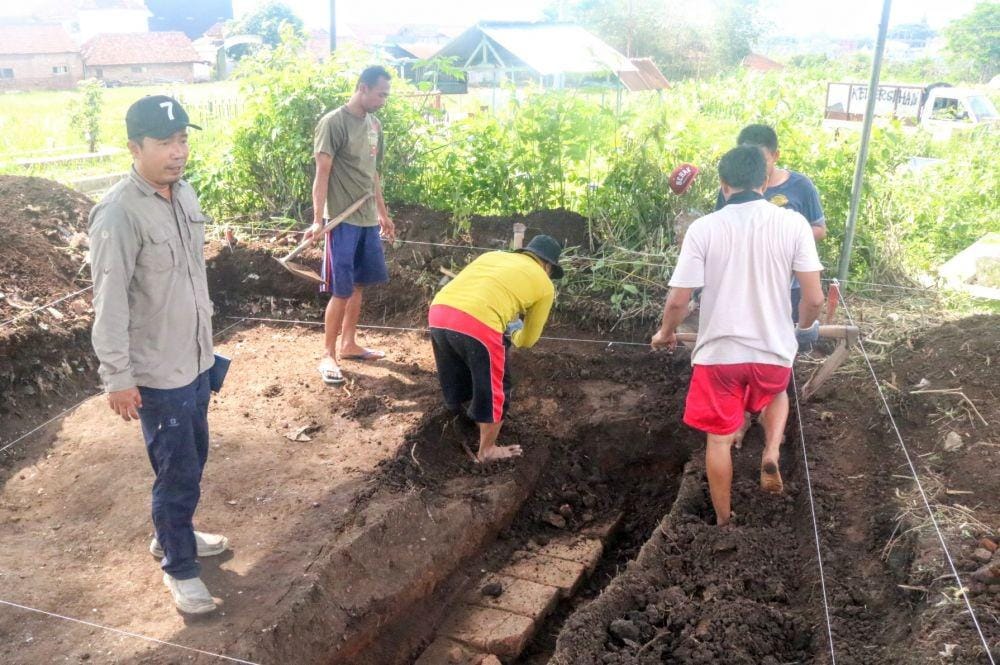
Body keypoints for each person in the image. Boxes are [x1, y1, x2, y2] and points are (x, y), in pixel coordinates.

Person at [89, 95, 225, 614]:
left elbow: (192, 277)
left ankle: (175, 534)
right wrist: (117, 376)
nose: (177, 152)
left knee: (195, 455)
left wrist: (208, 350)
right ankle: (180, 567)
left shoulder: (184, 195)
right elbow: (110, 300)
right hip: (156, 372)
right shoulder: (119, 213)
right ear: (134, 147)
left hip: (193, 359)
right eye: (165, 142)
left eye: (183, 139)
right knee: (176, 470)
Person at [653, 146, 825, 526]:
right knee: (777, 393)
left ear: (722, 183)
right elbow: (813, 298)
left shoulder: (704, 228)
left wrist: (665, 332)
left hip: (719, 357)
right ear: (765, 181)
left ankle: (724, 520)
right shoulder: (794, 224)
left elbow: (679, 300)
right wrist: (798, 329)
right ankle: (772, 451)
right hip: (773, 353)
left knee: (718, 440)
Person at [428, 235, 564, 463]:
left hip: (439, 313)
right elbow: (527, 340)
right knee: (497, 387)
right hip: (478, 324)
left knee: (458, 373)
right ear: (548, 265)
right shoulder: (545, 284)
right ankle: (487, 450)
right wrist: (514, 331)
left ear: (525, 253)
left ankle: (460, 426)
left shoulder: (493, 256)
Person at [305, 65, 396, 386]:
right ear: (362, 88)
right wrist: (318, 220)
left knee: (358, 285)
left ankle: (349, 344)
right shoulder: (333, 123)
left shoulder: (374, 125)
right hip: (341, 221)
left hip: (367, 218)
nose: (384, 100)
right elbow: (323, 172)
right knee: (340, 289)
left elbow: (373, 174)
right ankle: (328, 354)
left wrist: (382, 213)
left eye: (386, 94)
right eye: (381, 93)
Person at [715, 124, 826, 322]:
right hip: (741, 281)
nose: (755, 166)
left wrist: (785, 235)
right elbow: (720, 227)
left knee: (785, 336)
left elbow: (819, 229)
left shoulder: (801, 186)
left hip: (787, 282)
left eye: (762, 160)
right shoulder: (731, 187)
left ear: (776, 155)